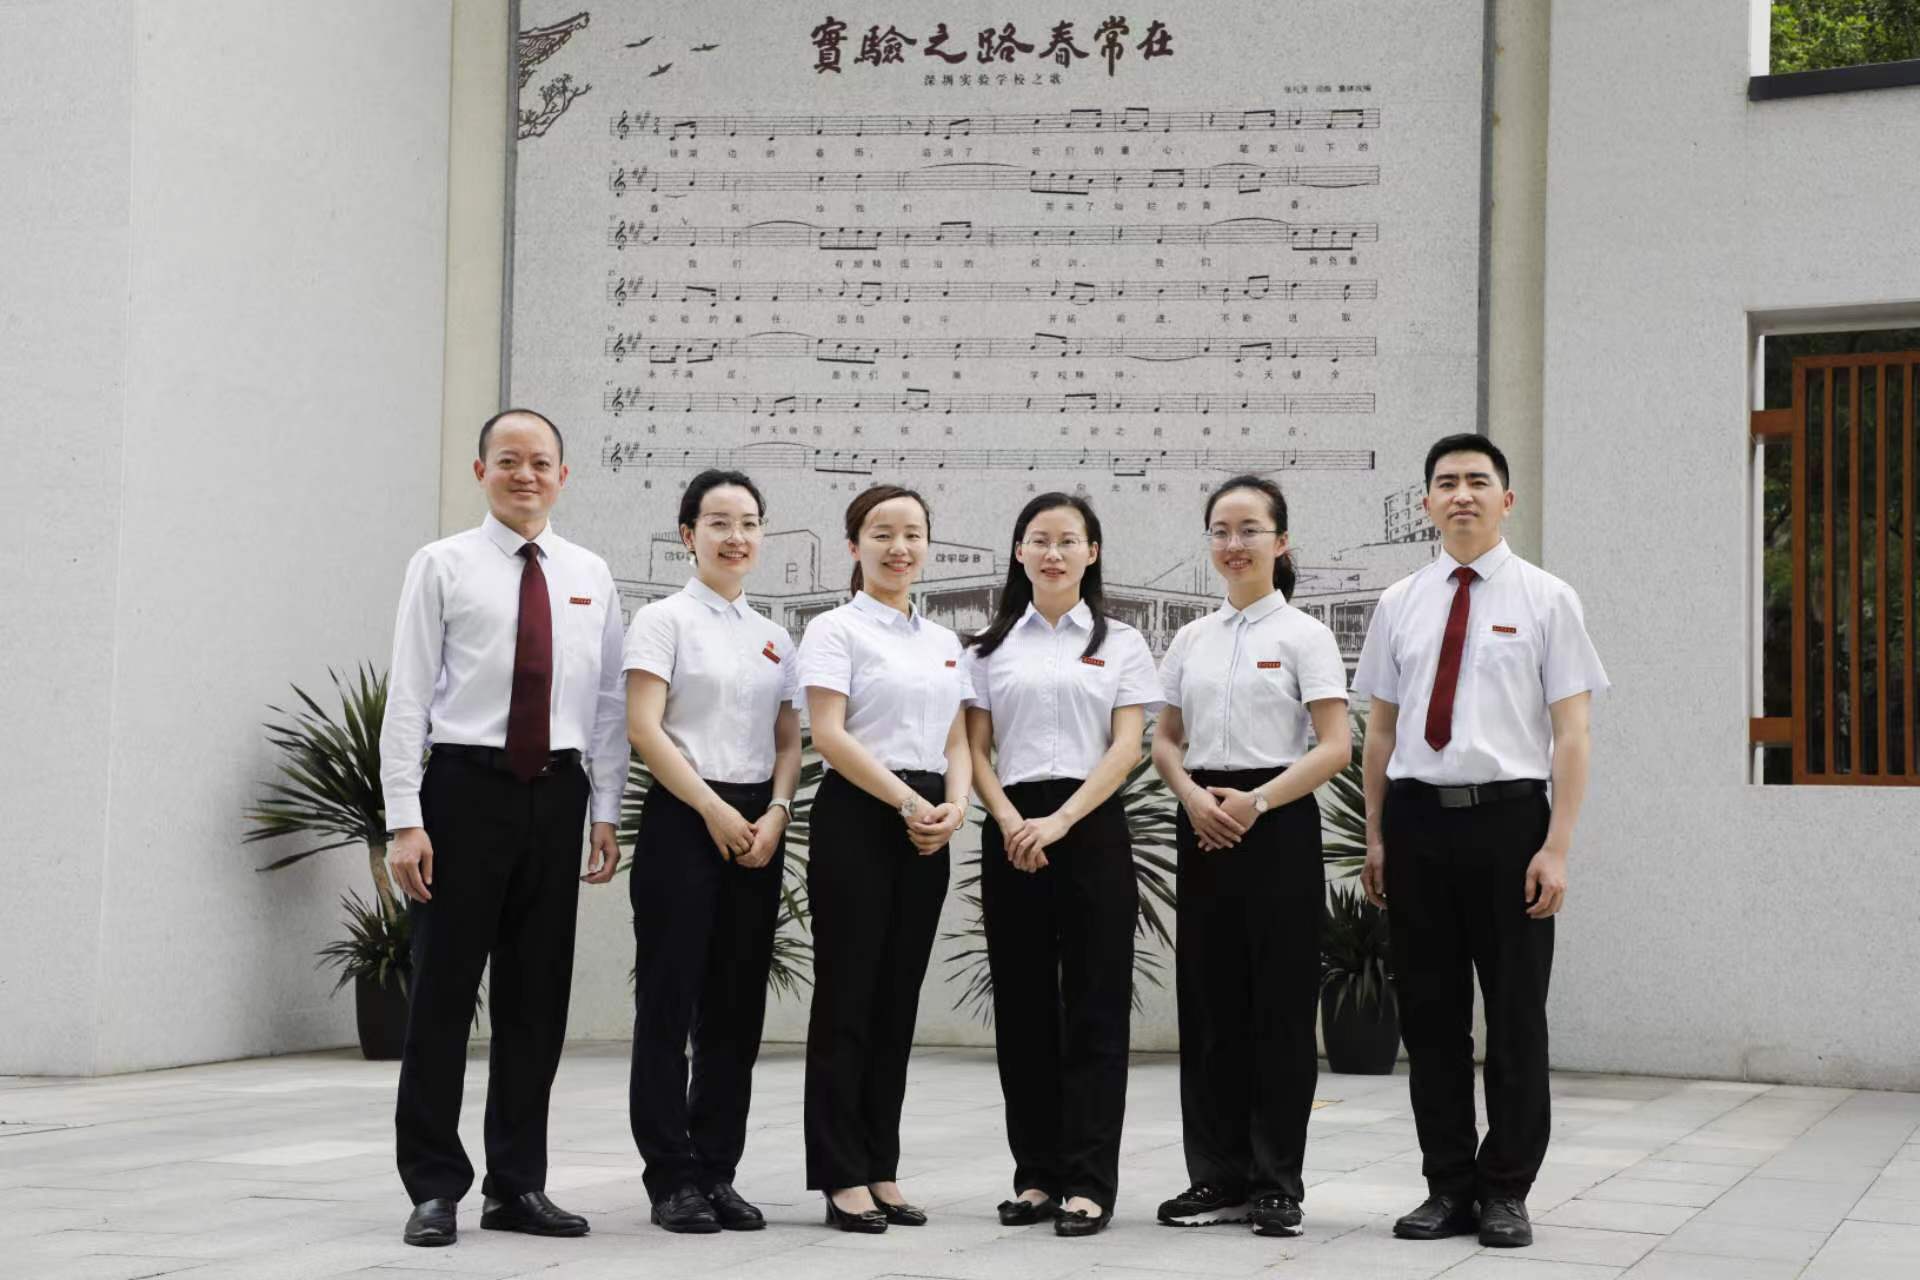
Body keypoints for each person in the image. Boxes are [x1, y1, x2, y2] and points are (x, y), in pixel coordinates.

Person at [1354, 433, 1607, 1250]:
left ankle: (1505, 1191)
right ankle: (1447, 1186)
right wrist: (1377, 835)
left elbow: (1572, 733)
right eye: (1445, 482)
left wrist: (1557, 846)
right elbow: (1380, 730)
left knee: (1516, 1016)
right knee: (1430, 1019)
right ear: (1427, 502)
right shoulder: (1400, 602)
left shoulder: (1547, 598)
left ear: (1506, 498)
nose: (1461, 494)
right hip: (1418, 823)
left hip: (1509, 825)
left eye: (1477, 481)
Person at [379, 409, 625, 1248]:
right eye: (510, 461)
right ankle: (434, 1186)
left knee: (536, 1001)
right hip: (463, 793)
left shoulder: (590, 573)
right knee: (443, 997)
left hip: (557, 796)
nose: (527, 475)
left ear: (564, 475)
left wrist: (604, 809)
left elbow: (607, 704)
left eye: (542, 462)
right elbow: (409, 695)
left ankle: (517, 1185)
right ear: (481, 470)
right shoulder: (441, 564)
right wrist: (405, 820)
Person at [1151, 474, 1352, 1238]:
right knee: (1208, 1006)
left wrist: (1256, 802)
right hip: (1203, 823)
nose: (1233, 544)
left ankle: (1275, 1183)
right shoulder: (1191, 639)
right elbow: (1166, 740)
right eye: (1221, 531)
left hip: (1277, 824)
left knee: (1279, 1008)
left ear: (1281, 541)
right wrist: (1193, 798)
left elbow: (1334, 746)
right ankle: (1217, 1177)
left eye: (1249, 530)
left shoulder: (1305, 635)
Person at [963, 494, 1162, 1238]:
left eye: (1068, 540)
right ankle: (1037, 1177)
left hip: (1092, 827)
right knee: (1022, 1009)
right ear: (1019, 551)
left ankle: (1089, 1182)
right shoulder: (987, 648)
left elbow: (1127, 747)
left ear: (1092, 552)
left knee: (1096, 1006)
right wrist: (1010, 819)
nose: (1053, 553)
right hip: (1011, 828)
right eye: (1039, 540)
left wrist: (1062, 819)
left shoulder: (1123, 643)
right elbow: (975, 749)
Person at [623, 470, 802, 1234]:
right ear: (687, 534)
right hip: (684, 817)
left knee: (735, 1006)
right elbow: (644, 727)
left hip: (758, 824)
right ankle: (671, 1177)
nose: (736, 537)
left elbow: (789, 739)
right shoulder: (662, 621)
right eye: (719, 522)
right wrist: (711, 808)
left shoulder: (775, 635)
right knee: (669, 1003)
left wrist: (777, 811)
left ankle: (717, 1169)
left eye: (749, 523)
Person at [796, 484, 972, 1233]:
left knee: (896, 1000)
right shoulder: (834, 629)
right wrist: (907, 803)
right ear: (854, 545)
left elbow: (957, 739)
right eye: (882, 533)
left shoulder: (943, 641)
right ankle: (841, 1175)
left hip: (929, 821)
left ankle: (881, 1166)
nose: (899, 547)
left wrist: (956, 807)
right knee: (848, 997)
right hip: (860, 815)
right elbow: (829, 735)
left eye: (913, 534)